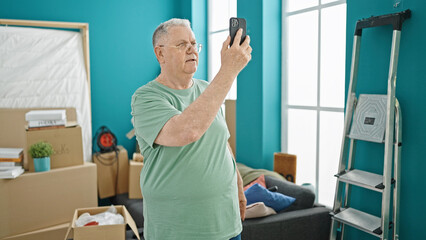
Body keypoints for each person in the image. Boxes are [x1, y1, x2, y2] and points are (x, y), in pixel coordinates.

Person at [131, 18, 252, 240]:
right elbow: (186, 132)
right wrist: (229, 70)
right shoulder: (145, 98)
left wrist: (238, 184)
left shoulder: (207, 89)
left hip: (227, 222)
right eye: (181, 44)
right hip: (178, 229)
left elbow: (222, 142)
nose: (191, 49)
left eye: (194, 43)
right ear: (160, 54)